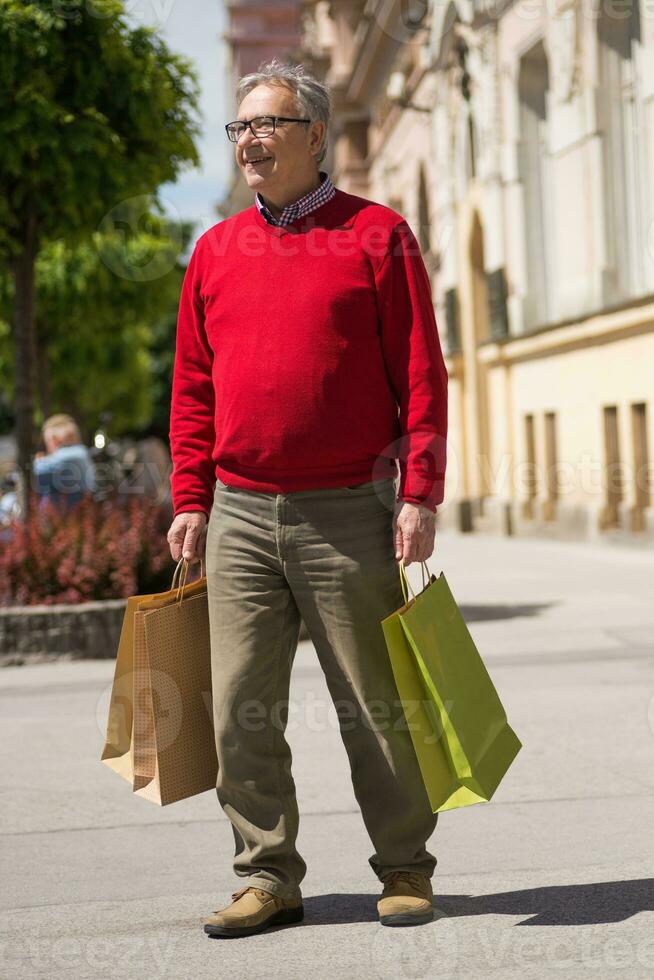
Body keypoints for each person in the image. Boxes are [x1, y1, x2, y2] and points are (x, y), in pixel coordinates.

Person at [167, 58, 448, 938]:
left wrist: (421, 490)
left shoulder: (378, 235)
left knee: (374, 704)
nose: (249, 140)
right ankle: (266, 875)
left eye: (268, 125)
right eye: (239, 127)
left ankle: (404, 866)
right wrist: (190, 496)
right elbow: (192, 387)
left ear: (315, 136)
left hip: (349, 508)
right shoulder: (213, 250)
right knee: (240, 709)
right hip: (241, 511)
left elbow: (421, 374)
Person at [33, 414, 96, 510]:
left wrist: (38, 461)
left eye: (47, 441)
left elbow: (38, 472)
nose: (47, 447)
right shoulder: (81, 453)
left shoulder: (75, 454)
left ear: (54, 439)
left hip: (67, 518)